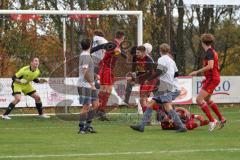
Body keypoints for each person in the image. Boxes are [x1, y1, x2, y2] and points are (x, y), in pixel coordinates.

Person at [130, 43, 187, 132]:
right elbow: (176, 73)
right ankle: (141, 125)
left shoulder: (161, 59)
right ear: (168, 51)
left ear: (160, 51)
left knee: (167, 107)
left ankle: (181, 126)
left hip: (165, 85)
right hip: (168, 85)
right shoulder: (171, 60)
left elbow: (159, 72)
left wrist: (149, 79)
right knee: (150, 104)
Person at [189, 33, 226, 131]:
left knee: (199, 100)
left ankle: (212, 120)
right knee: (208, 100)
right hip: (212, 78)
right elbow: (213, 68)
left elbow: (210, 66)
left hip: (213, 79)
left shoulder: (209, 52)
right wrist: (206, 78)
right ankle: (221, 118)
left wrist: (197, 72)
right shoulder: (212, 51)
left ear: (202, 43)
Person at [97, 31, 125, 121]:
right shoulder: (114, 45)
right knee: (107, 90)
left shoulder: (113, 44)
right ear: (123, 38)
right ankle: (101, 110)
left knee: (104, 90)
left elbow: (108, 55)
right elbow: (110, 54)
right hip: (107, 69)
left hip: (106, 68)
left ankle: (99, 110)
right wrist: (117, 52)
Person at [78, 38, 99, 134]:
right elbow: (84, 71)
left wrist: (94, 75)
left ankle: (88, 126)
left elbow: (87, 70)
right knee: (86, 106)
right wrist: (91, 84)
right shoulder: (85, 56)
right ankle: (81, 128)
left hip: (90, 84)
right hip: (85, 85)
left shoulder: (85, 55)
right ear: (90, 45)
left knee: (95, 105)